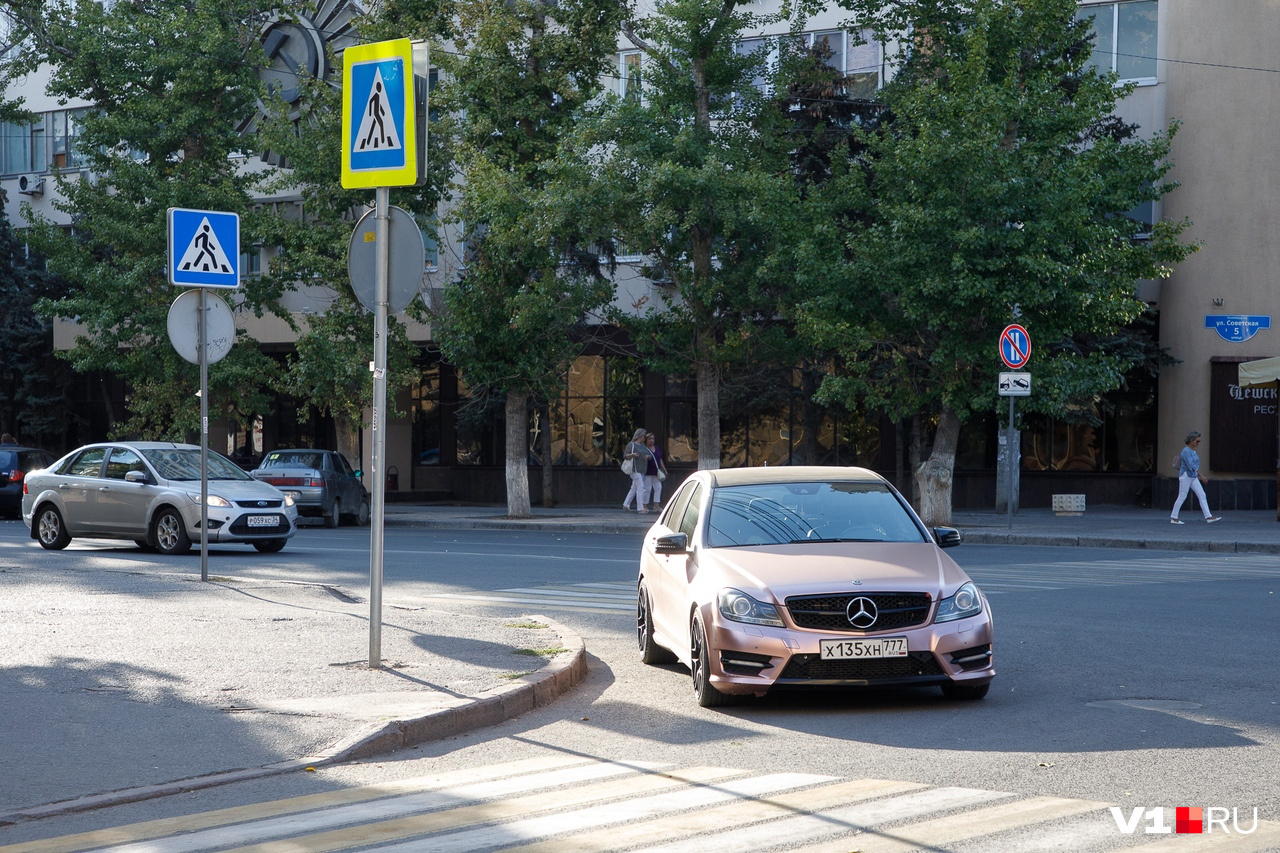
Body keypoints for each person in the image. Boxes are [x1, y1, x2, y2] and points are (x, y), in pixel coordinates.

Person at [1171, 431, 1221, 524]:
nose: (1198, 443)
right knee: (1182, 496)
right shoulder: (1186, 451)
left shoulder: (1192, 451)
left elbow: (1193, 466)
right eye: (1197, 441)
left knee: (1202, 495)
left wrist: (1198, 475)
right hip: (1186, 476)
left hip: (1192, 476)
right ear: (1191, 441)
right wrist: (1201, 476)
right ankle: (1174, 517)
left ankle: (1208, 516)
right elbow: (1190, 465)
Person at [621, 428, 654, 513]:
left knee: (634, 487)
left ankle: (626, 504)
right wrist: (632, 455)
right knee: (641, 487)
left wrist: (648, 457)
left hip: (642, 469)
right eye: (643, 436)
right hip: (634, 469)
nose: (644, 438)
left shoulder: (643, 446)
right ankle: (640, 508)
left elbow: (650, 455)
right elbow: (625, 456)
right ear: (639, 436)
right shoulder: (631, 444)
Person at [642, 432, 669, 511]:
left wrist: (665, 470)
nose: (651, 440)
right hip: (647, 472)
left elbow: (660, 460)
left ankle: (656, 505)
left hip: (656, 471)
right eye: (649, 439)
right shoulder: (644, 449)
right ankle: (645, 505)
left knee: (658, 487)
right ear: (646, 440)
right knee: (647, 489)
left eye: (653, 439)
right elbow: (641, 459)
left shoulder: (657, 448)